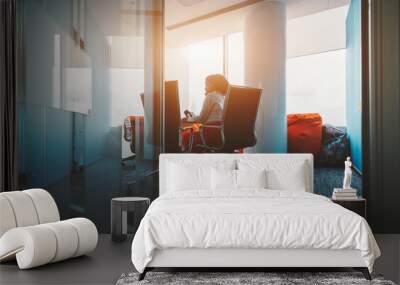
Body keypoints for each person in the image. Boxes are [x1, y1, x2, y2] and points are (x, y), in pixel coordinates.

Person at [181, 74, 230, 152]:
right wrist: (193, 117)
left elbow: (202, 119)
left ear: (213, 84)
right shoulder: (223, 98)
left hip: (212, 132)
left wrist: (187, 119)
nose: (205, 86)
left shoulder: (211, 96)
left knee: (187, 136)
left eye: (206, 84)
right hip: (222, 132)